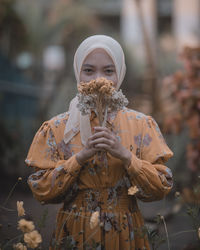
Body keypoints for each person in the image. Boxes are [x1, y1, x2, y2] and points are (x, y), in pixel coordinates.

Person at [26, 35, 173, 250]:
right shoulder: (57, 128)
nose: (98, 79)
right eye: (88, 70)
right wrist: (80, 158)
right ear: (77, 72)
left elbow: (161, 188)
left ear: (119, 73)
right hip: (75, 233)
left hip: (126, 234)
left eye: (108, 71)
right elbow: (41, 189)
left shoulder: (141, 125)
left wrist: (125, 155)